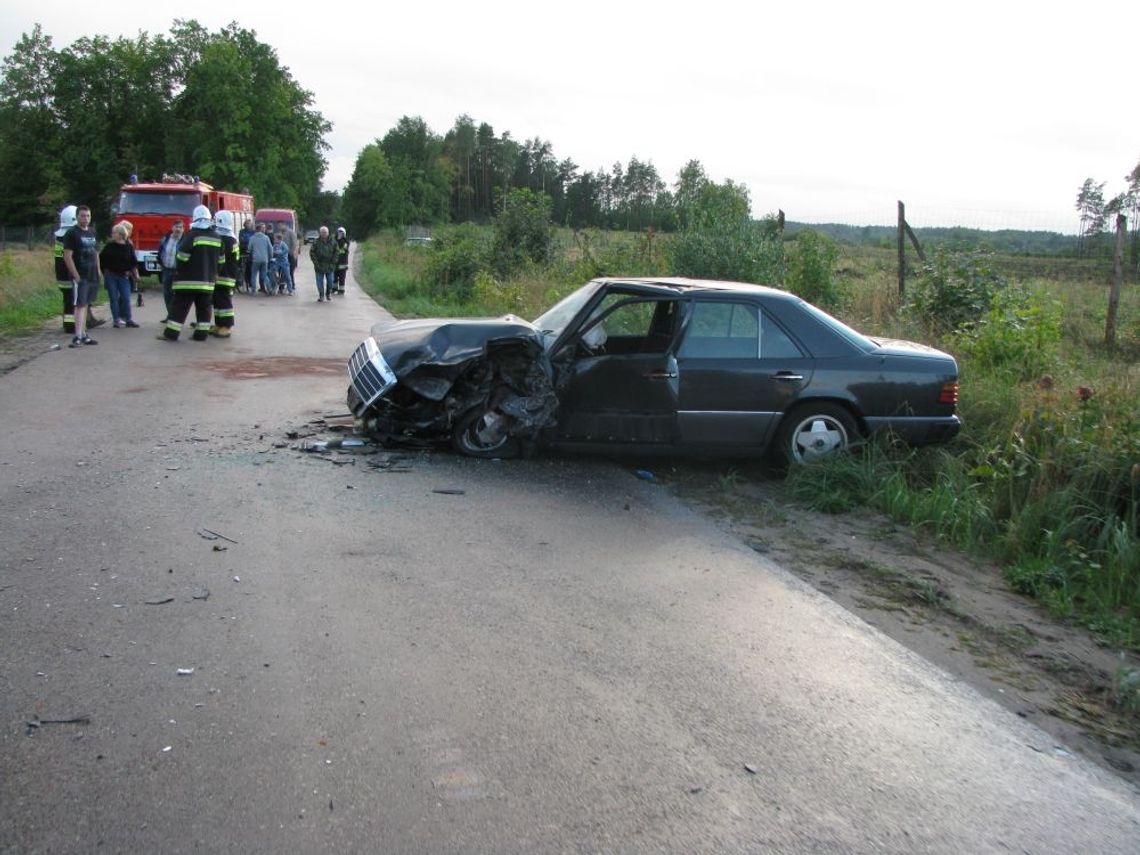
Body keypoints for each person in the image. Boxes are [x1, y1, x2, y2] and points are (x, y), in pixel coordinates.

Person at [158, 205, 219, 342]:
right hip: (207, 282)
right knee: (204, 309)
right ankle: (201, 335)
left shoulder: (191, 235)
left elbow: (182, 257)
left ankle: (171, 334)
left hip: (187, 281)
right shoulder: (216, 237)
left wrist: (179, 268)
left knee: (179, 308)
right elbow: (220, 261)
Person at [62, 204, 100, 347]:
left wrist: (98, 270)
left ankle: (84, 334)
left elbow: (96, 253)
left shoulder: (92, 232)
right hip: (80, 275)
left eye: (88, 216)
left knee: (86, 304)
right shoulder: (72, 233)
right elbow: (67, 256)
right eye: (83, 215)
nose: (85, 218)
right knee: (79, 305)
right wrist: (75, 275)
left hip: (92, 274)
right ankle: (77, 336)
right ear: (77, 217)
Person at [99, 224, 139, 328]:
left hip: (124, 276)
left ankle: (128, 319)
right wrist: (103, 272)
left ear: (121, 234)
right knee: (114, 298)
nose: (112, 234)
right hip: (111, 275)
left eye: (114, 232)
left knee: (126, 297)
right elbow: (101, 259)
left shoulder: (128, 246)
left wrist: (135, 274)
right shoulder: (109, 246)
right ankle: (116, 320)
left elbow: (133, 261)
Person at [212, 210, 240, 336]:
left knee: (224, 301)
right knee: (218, 301)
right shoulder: (231, 238)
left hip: (224, 275)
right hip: (225, 274)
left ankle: (227, 326)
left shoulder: (226, 240)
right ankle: (219, 324)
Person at [158, 219, 184, 322]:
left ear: (183, 229)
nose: (178, 229)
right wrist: (160, 262)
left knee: (176, 295)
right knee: (167, 294)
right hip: (166, 270)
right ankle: (170, 315)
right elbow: (160, 251)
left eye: (180, 227)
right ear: (172, 227)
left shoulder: (185, 240)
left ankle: (176, 317)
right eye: (176, 227)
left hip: (178, 271)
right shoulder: (166, 238)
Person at [309, 226, 337, 302]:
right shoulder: (316, 242)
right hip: (319, 266)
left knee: (330, 281)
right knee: (319, 282)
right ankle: (321, 295)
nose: (324, 234)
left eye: (325, 232)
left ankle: (328, 293)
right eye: (322, 232)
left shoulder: (333, 241)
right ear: (320, 233)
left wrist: (333, 263)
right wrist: (316, 263)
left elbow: (336, 253)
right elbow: (312, 253)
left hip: (330, 265)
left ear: (328, 233)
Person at [119, 219, 142, 306]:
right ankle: (123, 315)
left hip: (126, 272)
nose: (131, 232)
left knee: (124, 294)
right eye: (130, 229)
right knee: (124, 294)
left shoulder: (128, 241)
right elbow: (131, 260)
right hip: (125, 272)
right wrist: (136, 274)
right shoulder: (127, 243)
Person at [247, 223, 273, 295]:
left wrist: (251, 253)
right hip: (265, 259)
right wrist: (270, 257)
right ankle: (269, 288)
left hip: (256, 259)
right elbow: (270, 249)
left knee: (254, 274)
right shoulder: (266, 238)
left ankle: (253, 290)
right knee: (264, 275)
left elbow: (249, 248)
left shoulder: (252, 238)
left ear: (256, 230)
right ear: (261, 230)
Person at [238, 218, 255, 292]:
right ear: (245, 224)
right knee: (241, 268)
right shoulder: (242, 231)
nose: (249, 225)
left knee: (250, 268)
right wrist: (247, 242)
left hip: (251, 252)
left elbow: (253, 241)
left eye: (250, 223)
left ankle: (250, 283)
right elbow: (241, 240)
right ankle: (240, 283)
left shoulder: (253, 232)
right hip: (243, 250)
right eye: (247, 223)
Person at [333, 226, 350, 295]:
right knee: (334, 277)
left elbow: (343, 247)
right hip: (335, 263)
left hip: (343, 263)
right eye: (338, 233)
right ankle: (334, 288)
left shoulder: (346, 242)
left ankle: (341, 290)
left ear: (344, 234)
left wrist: (340, 239)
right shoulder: (334, 240)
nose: (339, 234)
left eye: (341, 233)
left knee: (342, 278)